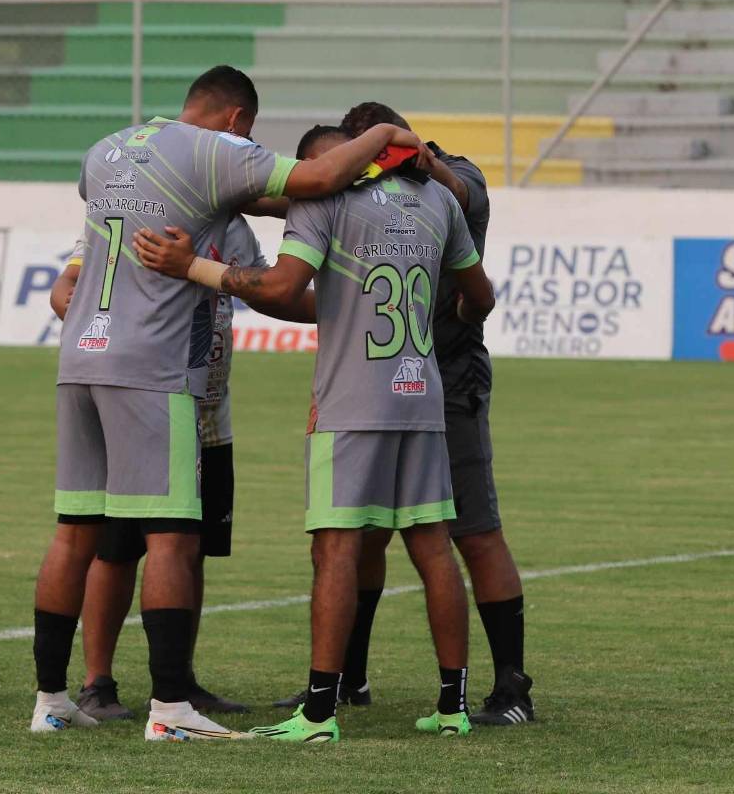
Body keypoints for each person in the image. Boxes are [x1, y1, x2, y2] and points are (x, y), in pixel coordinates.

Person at [30, 67, 428, 741]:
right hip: (151, 368)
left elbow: (92, 254)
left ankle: (50, 702)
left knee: (76, 532)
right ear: (237, 121)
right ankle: (169, 711)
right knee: (173, 540)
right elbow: (315, 182)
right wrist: (387, 135)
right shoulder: (213, 150)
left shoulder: (108, 152)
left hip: (80, 360)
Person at [131, 124, 497, 742]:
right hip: (422, 394)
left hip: (353, 403)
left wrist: (189, 265)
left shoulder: (323, 201)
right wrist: (454, 314)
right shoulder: (437, 201)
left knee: (335, 550)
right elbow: (479, 298)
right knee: (433, 547)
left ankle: (320, 712)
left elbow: (278, 287)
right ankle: (453, 706)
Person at [277, 102, 535, 727]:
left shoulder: (448, 177)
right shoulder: (359, 194)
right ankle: (352, 680)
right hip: (392, 377)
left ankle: (512, 686)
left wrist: (417, 161)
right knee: (368, 537)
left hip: (446, 379)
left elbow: (465, 195)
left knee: (468, 532)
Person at [46, 216, 268, 720]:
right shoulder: (143, 208)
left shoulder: (233, 223)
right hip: (144, 407)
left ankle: (178, 681)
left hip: (209, 413)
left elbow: (265, 288)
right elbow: (68, 288)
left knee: (192, 548)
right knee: (116, 551)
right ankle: (96, 683)